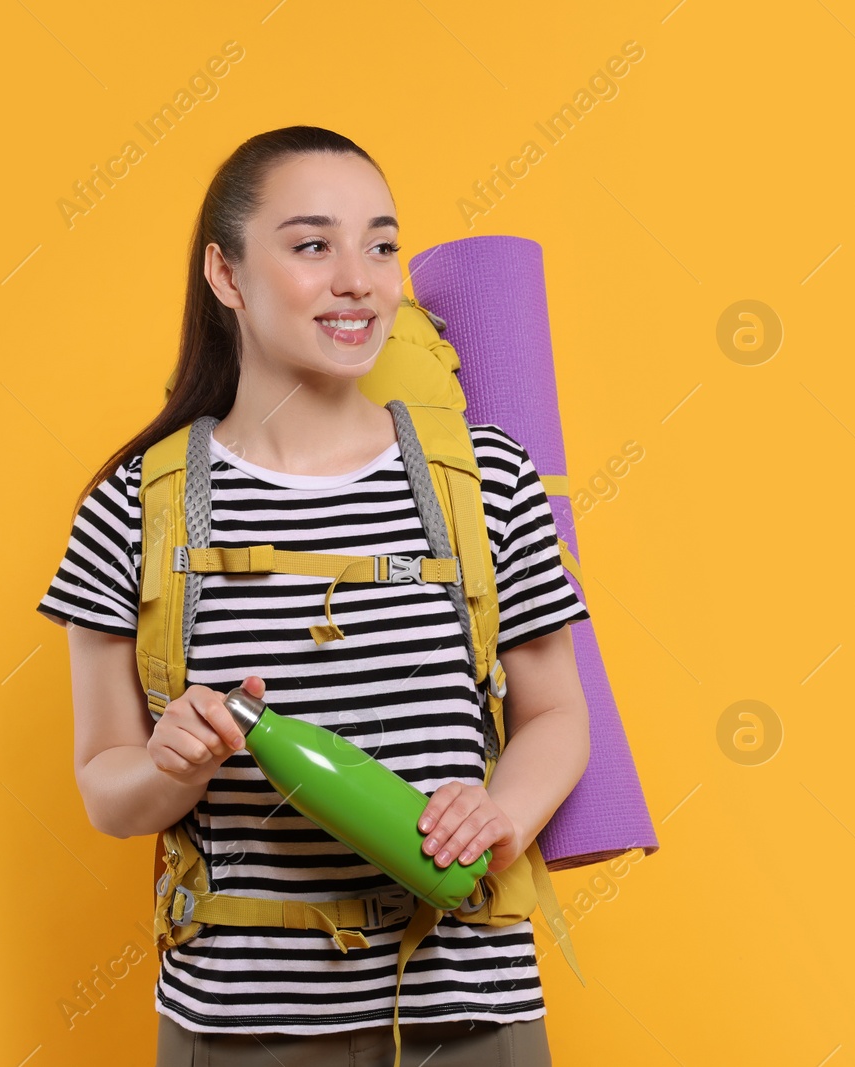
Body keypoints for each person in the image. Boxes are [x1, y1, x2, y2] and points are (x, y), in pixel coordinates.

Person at [35, 125, 591, 1067]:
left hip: (473, 1011)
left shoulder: (485, 480)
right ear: (225, 273)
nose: (359, 280)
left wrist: (502, 811)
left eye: (381, 245)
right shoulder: (134, 509)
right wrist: (173, 767)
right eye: (311, 245)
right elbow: (108, 790)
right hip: (245, 1028)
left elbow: (559, 716)